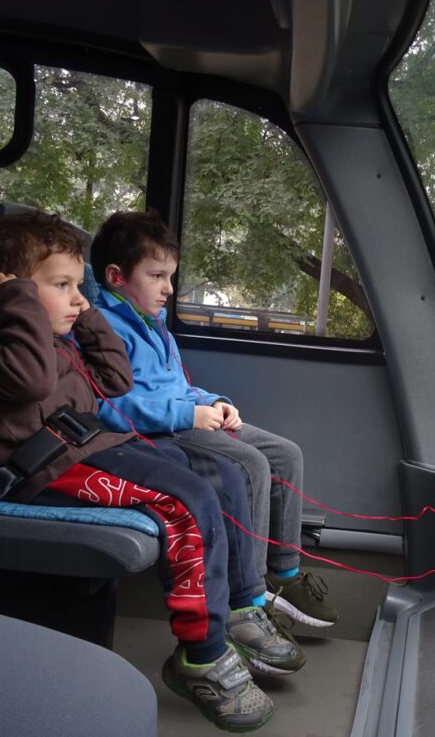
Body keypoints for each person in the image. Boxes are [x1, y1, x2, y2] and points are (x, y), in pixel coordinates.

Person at [0, 211, 274, 732]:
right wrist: (23, 304)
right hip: (39, 470)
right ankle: (202, 655)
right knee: (185, 500)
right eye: (62, 286)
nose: (78, 298)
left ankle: (235, 607)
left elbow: (116, 380)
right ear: (9, 293)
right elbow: (28, 384)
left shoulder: (59, 340)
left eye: (81, 287)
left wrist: (87, 310)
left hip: (91, 450)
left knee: (206, 474)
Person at [89, 211, 337, 636]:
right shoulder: (101, 328)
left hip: (189, 413)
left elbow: (180, 385)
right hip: (161, 429)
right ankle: (250, 600)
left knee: (285, 454)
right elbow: (110, 405)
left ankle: (284, 571)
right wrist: (189, 414)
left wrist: (215, 402)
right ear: (116, 276)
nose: (169, 288)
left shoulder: (155, 325)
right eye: (157, 276)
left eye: (170, 276)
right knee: (250, 465)